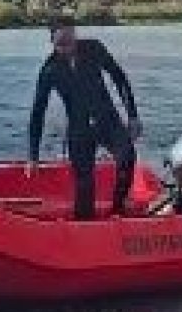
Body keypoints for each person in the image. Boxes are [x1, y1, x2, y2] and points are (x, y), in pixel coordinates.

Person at [27, 15, 142, 220]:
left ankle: (117, 209)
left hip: (107, 119)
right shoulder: (49, 70)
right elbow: (38, 112)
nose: (68, 48)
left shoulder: (94, 48)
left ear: (75, 35)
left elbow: (119, 79)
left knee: (127, 158)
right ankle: (84, 227)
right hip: (79, 129)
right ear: (52, 41)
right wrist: (33, 156)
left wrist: (132, 116)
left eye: (71, 41)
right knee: (84, 184)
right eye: (61, 44)